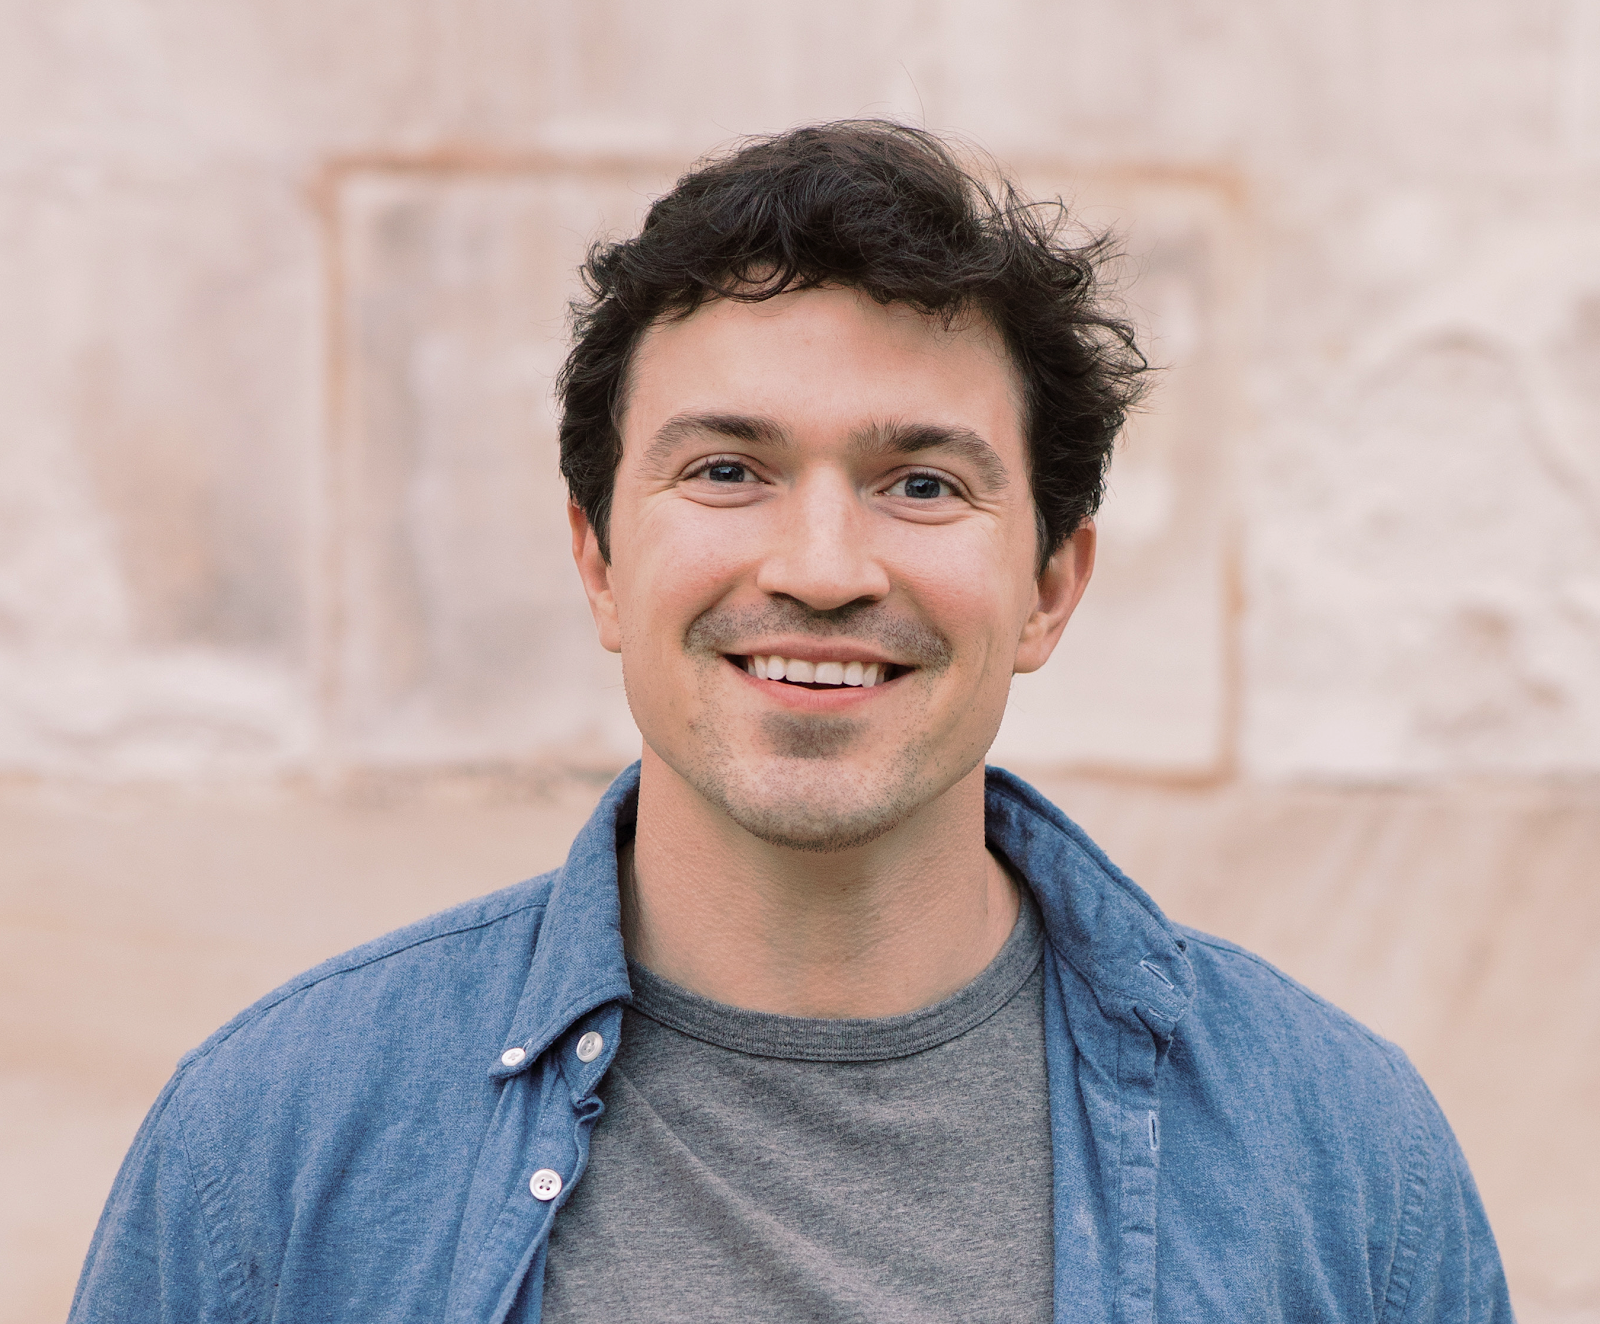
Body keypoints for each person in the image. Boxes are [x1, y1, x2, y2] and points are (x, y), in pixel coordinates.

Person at [71, 122, 1512, 1323]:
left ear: (1049, 587)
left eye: (922, 484)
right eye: (726, 470)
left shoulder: (1342, 1159)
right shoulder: (272, 1144)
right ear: (599, 562)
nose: (822, 570)